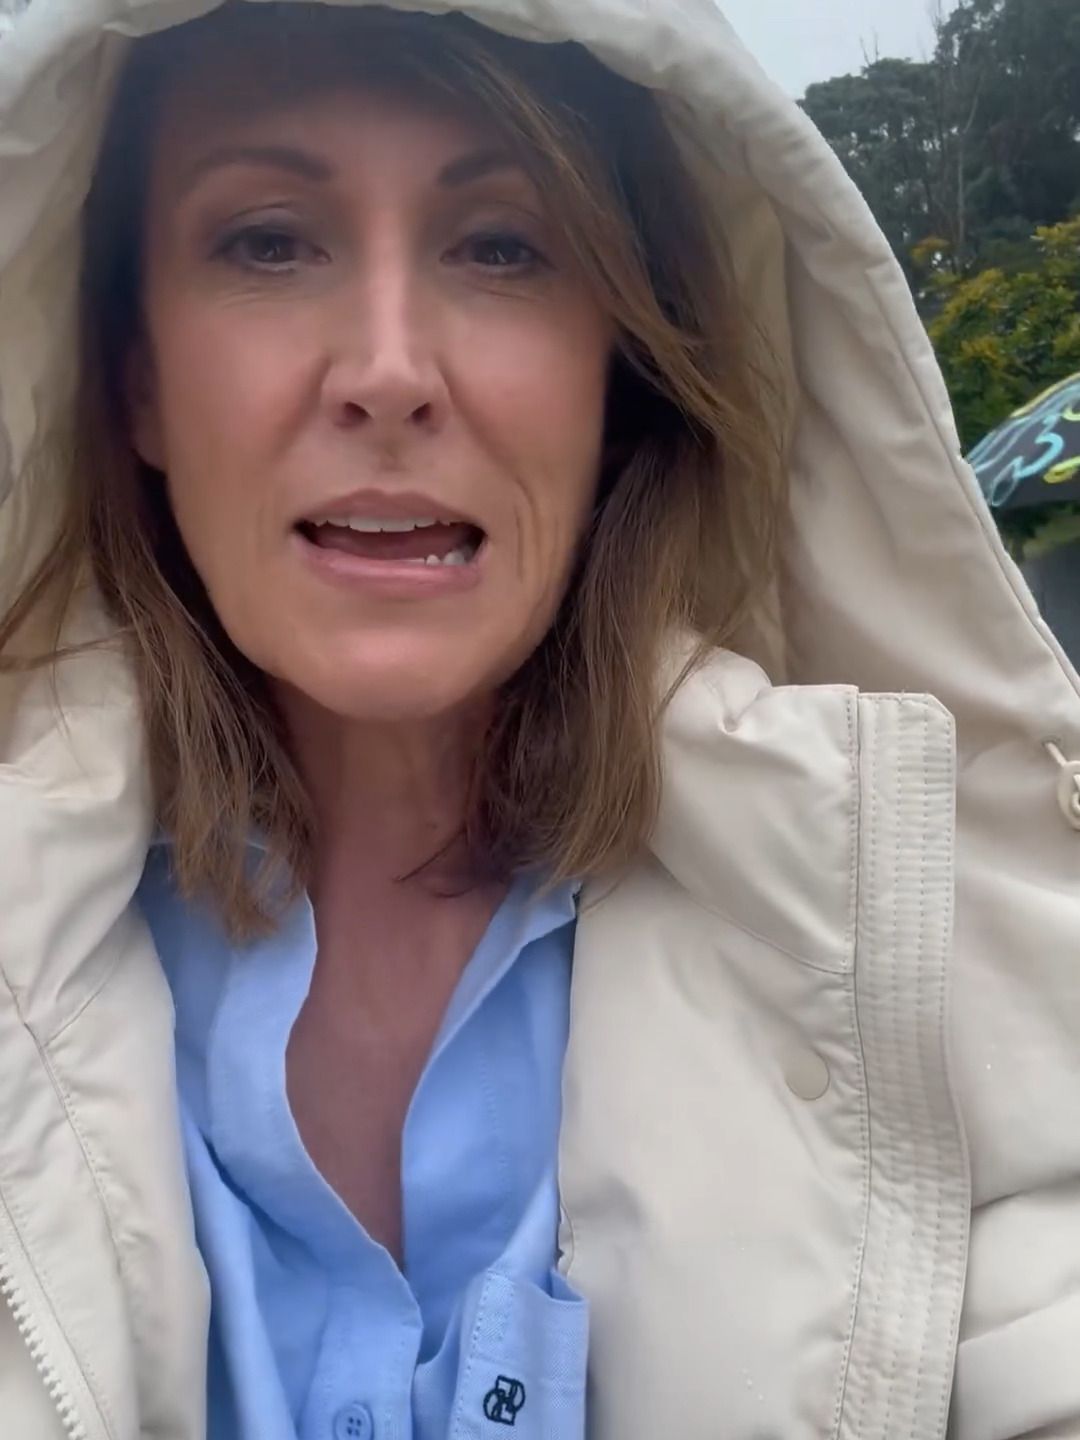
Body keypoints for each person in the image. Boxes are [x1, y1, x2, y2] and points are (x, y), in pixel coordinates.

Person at [2, 2, 1079, 1438]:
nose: (388, 373)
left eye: (502, 247)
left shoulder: (919, 945)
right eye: (268, 242)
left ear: (617, 374)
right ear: (135, 380)